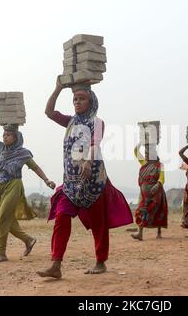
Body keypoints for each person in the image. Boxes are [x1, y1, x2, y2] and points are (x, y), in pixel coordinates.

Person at [37, 80, 133, 279]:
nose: (77, 102)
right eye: (75, 99)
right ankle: (56, 264)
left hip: (93, 181)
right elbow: (48, 112)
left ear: (91, 101)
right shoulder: (70, 121)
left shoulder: (97, 122)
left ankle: (100, 262)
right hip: (71, 183)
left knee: (99, 224)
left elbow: (95, 143)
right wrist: (57, 88)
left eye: (82, 99)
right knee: (62, 217)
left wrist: (88, 162)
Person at [0, 122, 56, 263]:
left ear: (16, 137)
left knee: (2, 217)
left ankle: (0, 253)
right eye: (4, 135)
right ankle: (28, 240)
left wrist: (46, 180)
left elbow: (35, 167)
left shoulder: (22, 153)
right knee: (8, 219)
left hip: (14, 185)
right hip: (0, 186)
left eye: (8, 135)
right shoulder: (0, 148)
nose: (5, 137)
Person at [131, 142, 168, 240]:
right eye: (145, 152)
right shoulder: (144, 163)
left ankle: (159, 232)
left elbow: (162, 178)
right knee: (141, 211)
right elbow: (135, 151)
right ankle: (140, 233)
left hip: (156, 193)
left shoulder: (160, 165)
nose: (146, 154)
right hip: (144, 194)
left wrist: (158, 184)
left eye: (148, 152)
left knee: (158, 211)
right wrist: (141, 141)